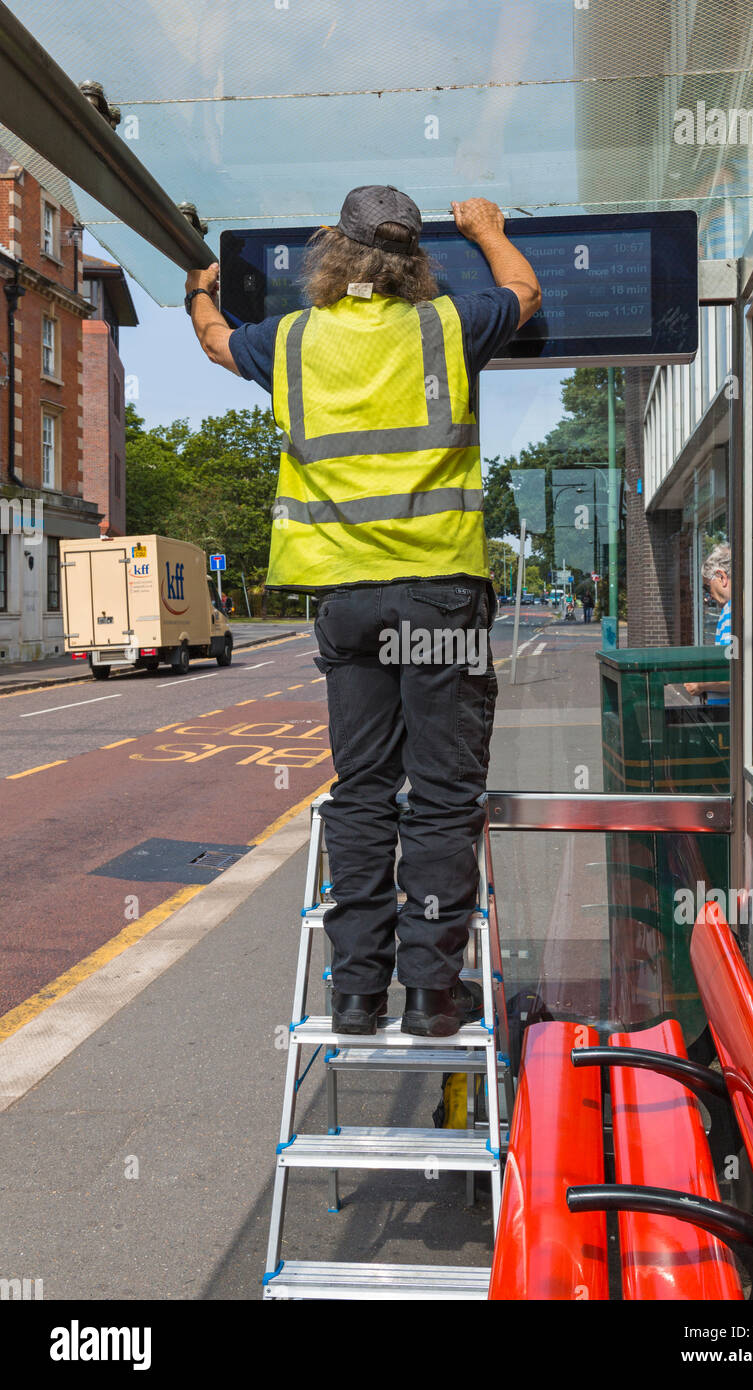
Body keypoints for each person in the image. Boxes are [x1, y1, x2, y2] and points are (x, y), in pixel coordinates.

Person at [185, 187, 541, 1037]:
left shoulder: (293, 338)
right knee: (445, 796)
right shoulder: (446, 326)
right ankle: (429, 993)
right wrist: (489, 231)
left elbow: (212, 344)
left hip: (345, 601)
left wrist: (202, 288)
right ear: (415, 263)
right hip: (437, 599)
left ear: (333, 259)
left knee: (365, 789)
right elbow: (525, 294)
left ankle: (353, 993)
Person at [684, 542, 732, 705]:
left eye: (707, 587)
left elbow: (737, 675)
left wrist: (702, 685)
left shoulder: (734, 614)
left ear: (722, 577)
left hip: (730, 714)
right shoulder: (737, 610)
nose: (708, 595)